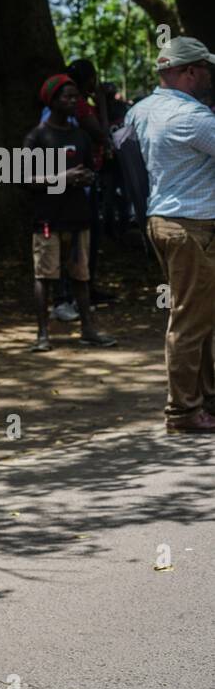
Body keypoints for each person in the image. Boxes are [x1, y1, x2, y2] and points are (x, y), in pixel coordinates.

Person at [126, 37, 215, 432]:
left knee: (201, 315)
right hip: (191, 226)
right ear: (190, 71)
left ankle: (203, 401)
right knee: (191, 320)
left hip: (162, 219)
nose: (210, 76)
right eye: (206, 69)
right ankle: (183, 410)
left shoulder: (139, 111)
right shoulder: (194, 118)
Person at [22, 75, 117, 352]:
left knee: (81, 276)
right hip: (48, 220)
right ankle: (43, 335)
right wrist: (62, 178)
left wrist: (86, 177)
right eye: (67, 97)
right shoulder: (36, 137)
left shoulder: (81, 136)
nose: (74, 101)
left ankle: (88, 329)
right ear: (51, 101)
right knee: (45, 276)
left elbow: (89, 170)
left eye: (76, 96)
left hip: (78, 218)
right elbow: (26, 180)